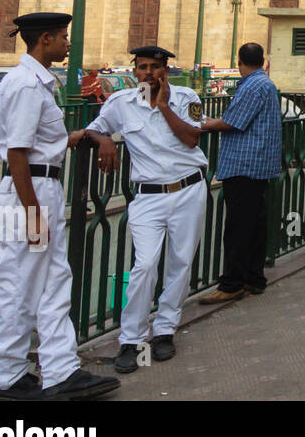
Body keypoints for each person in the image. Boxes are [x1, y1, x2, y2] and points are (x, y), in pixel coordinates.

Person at [0, 12, 119, 401]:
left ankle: (58, 371)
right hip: (30, 189)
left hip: (40, 186)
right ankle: (6, 377)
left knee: (52, 283)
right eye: (63, 37)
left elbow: (38, 143)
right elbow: (17, 153)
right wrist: (31, 212)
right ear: (44, 39)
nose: (67, 44)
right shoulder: (28, 85)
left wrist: (75, 136)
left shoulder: (34, 82)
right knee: (22, 286)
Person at [76, 46, 208, 374]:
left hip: (189, 189)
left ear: (166, 70)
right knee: (145, 264)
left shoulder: (186, 96)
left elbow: (192, 138)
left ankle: (164, 330)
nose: (148, 73)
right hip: (148, 196)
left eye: (155, 67)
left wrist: (163, 106)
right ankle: (131, 339)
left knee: (179, 262)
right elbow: (94, 128)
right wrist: (103, 140)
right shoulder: (121, 104)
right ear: (135, 71)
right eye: (142, 67)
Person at [198, 43, 282, 304]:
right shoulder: (265, 84)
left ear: (239, 61)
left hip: (244, 164)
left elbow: (232, 122)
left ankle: (232, 282)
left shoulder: (252, 86)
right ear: (263, 59)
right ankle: (253, 278)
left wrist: (206, 123)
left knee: (238, 227)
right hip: (258, 164)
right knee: (254, 224)